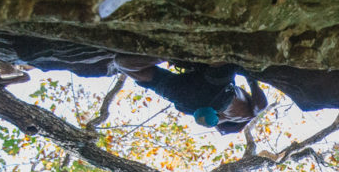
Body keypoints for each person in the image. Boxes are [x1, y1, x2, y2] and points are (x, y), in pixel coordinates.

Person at [112, 55, 267, 134]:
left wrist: (251, 78)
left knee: (223, 59)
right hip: (187, 99)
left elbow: (261, 105)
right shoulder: (223, 120)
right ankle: (163, 55)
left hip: (216, 92)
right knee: (122, 64)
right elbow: (215, 124)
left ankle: (166, 54)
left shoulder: (246, 115)